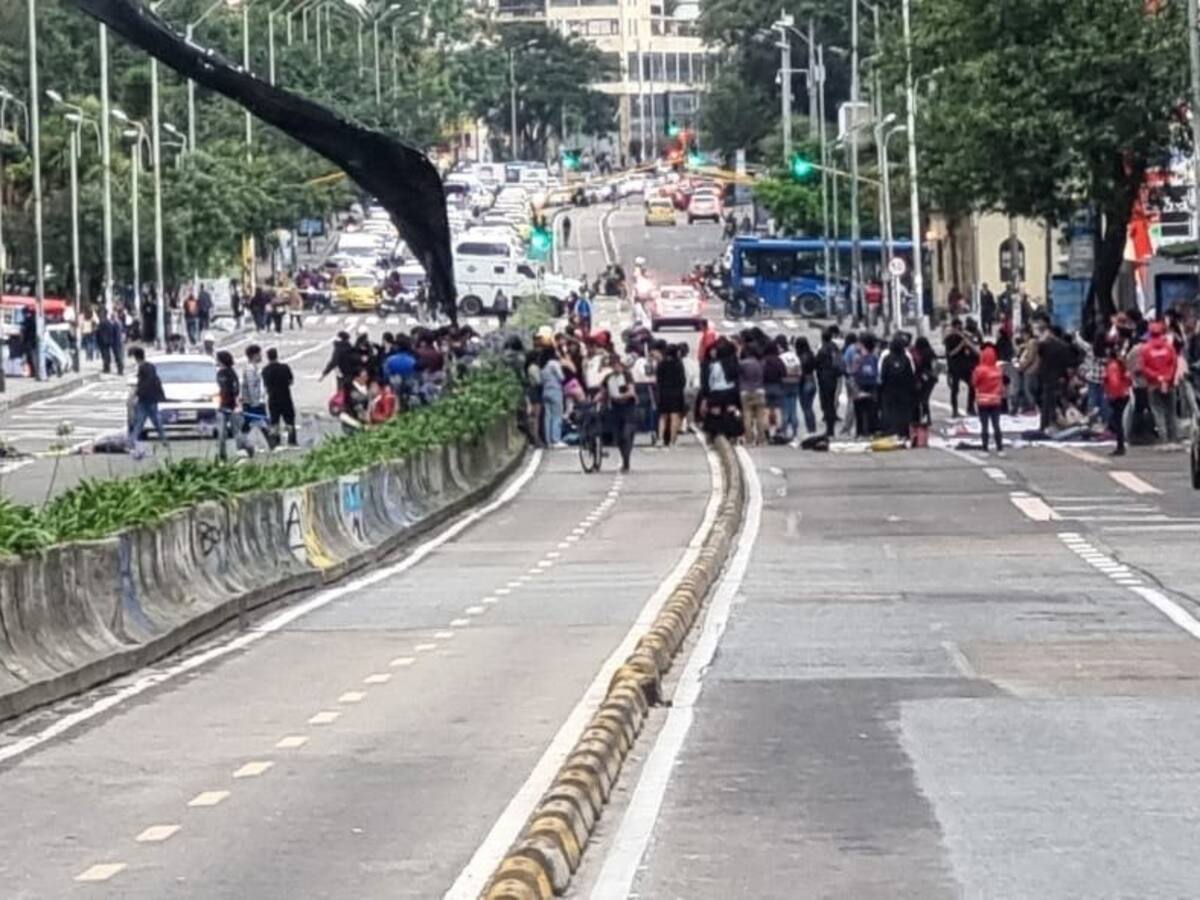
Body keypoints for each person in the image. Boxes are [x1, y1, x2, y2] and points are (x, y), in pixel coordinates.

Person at [1141, 319, 1179, 444]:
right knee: (1171, 411)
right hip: (1169, 384)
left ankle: (1164, 439)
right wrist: (1167, 378)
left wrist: (1157, 377)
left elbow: (1144, 367)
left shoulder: (1145, 349)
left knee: (1158, 411)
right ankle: (1173, 438)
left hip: (1153, 384)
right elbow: (1174, 364)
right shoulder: (1169, 348)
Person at [127, 346, 167, 457]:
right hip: (152, 397)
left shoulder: (143, 368)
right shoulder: (150, 367)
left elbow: (143, 384)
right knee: (153, 420)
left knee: (141, 420)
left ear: (136, 357)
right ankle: (163, 439)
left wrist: (138, 394)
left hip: (145, 398)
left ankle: (132, 441)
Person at [878, 334, 917, 440]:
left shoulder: (887, 358)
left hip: (889, 390)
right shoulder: (906, 358)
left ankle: (890, 431)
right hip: (904, 390)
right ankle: (904, 432)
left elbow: (882, 375)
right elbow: (911, 374)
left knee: (889, 411)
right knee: (904, 412)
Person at [605, 354, 638, 471]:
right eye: (612, 366)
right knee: (618, 438)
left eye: (616, 365)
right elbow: (603, 391)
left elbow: (631, 392)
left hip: (628, 408)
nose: (615, 368)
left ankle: (626, 460)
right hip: (616, 409)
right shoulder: (608, 378)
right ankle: (625, 459)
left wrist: (619, 396)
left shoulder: (627, 375)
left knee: (626, 434)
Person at [216, 350, 250, 460]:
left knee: (232, 432)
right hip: (226, 406)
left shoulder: (227, 373)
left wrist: (236, 404)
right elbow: (225, 389)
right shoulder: (225, 373)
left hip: (229, 407)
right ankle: (224, 454)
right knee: (227, 432)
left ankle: (240, 451)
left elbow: (232, 390)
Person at [240, 344, 275, 449]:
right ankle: (244, 445)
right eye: (259, 354)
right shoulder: (250, 369)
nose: (261, 356)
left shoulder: (254, 368)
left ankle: (244, 445)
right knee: (260, 423)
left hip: (255, 402)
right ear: (254, 355)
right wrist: (255, 402)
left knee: (256, 424)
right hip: (253, 403)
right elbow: (251, 386)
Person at [972, 344, 1005, 455]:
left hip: (983, 400)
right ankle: (1000, 448)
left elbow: (974, 383)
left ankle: (985, 448)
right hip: (995, 400)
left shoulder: (979, 370)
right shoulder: (998, 370)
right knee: (996, 424)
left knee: (984, 425)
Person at [262, 347, 298, 447]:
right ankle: (292, 440)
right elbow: (291, 381)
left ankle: (276, 441)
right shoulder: (285, 367)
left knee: (274, 421)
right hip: (285, 396)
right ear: (276, 355)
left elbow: (265, 385)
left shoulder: (265, 370)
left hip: (273, 398)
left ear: (268, 357)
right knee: (289, 419)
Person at [944, 318, 979, 418]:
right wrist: (961, 345)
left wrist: (968, 342)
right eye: (957, 327)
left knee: (972, 385)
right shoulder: (949, 339)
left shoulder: (965, 337)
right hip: (954, 367)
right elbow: (951, 353)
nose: (959, 330)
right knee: (955, 389)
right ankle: (954, 410)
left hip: (965, 367)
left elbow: (974, 350)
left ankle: (970, 407)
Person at [1104, 341, 1132, 456]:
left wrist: (1111, 395)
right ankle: (1120, 445)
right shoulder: (1120, 364)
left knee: (1117, 421)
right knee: (1118, 420)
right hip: (1124, 394)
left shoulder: (1112, 366)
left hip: (1117, 395)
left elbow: (1114, 383)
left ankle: (1120, 446)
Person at [655, 343, 687, 447]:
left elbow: (658, 379)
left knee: (663, 416)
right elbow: (683, 380)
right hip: (676, 392)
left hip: (664, 392)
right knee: (674, 416)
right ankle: (673, 441)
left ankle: (660, 438)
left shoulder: (661, 364)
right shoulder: (678, 364)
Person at [815, 328, 842, 438]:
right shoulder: (835, 348)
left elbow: (817, 363)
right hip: (834, 378)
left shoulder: (822, 350)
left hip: (825, 378)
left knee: (828, 404)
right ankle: (831, 426)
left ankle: (829, 429)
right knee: (831, 401)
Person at [738, 343, 767, 446]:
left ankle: (749, 439)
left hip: (745, 391)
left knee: (747, 416)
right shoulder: (760, 363)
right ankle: (762, 439)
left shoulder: (742, 364)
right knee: (760, 417)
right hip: (759, 390)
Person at [540, 346, 566, 448]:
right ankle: (556, 439)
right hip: (555, 390)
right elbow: (561, 377)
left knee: (548, 417)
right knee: (557, 415)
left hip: (545, 391)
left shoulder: (543, 365)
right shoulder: (554, 364)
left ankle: (548, 441)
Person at [794, 336, 818, 438]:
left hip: (804, 382)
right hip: (812, 380)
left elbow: (801, 371)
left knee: (806, 407)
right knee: (809, 407)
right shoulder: (811, 354)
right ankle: (812, 428)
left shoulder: (800, 357)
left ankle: (810, 429)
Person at [95, 309, 124, 375]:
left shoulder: (112, 323)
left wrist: (107, 340)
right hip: (108, 341)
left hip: (111, 341)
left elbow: (108, 333)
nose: (99, 316)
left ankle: (118, 369)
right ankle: (109, 368)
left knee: (114, 355)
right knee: (107, 356)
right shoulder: (107, 322)